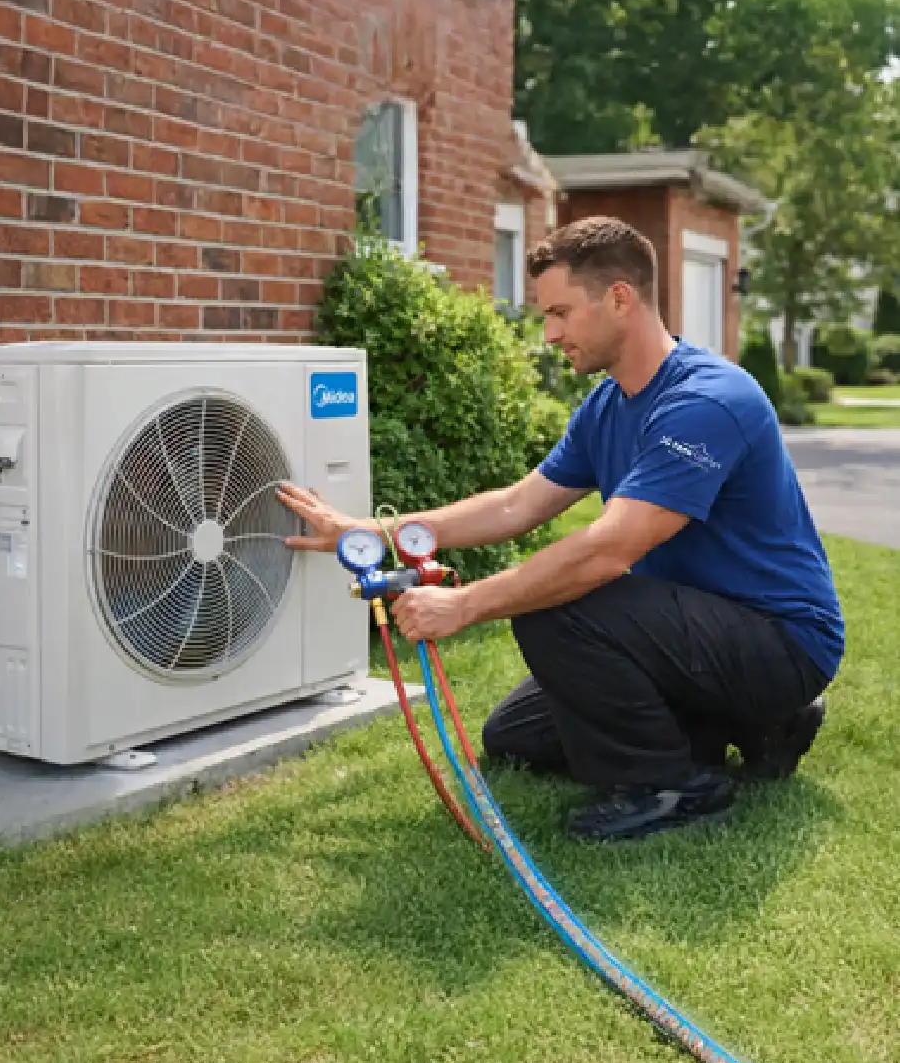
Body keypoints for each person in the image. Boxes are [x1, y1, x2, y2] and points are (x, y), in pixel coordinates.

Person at [277, 216, 843, 842]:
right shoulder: (607, 405)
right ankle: (762, 725)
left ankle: (673, 786)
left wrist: (465, 604)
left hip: (780, 639)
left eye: (561, 313)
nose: (549, 334)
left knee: (557, 606)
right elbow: (518, 506)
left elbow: (608, 551)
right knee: (515, 736)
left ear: (620, 298)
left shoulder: (706, 401)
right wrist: (366, 532)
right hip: (697, 635)